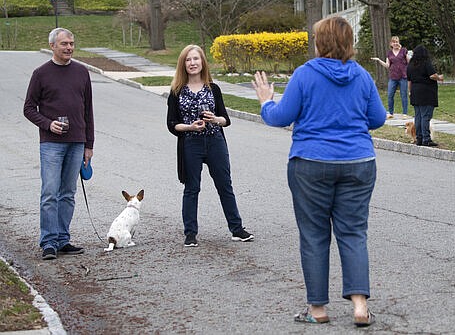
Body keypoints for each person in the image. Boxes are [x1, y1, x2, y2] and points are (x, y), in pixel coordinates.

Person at [252, 17, 386, 327]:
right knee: (353, 232)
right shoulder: (362, 76)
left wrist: (265, 102)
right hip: (358, 162)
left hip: (311, 163)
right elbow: (377, 118)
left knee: (314, 235)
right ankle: (360, 306)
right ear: (348, 43)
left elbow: (280, 117)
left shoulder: (304, 75)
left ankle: (318, 310)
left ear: (319, 43)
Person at [166, 45, 254, 247]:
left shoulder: (213, 89)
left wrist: (215, 119)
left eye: (196, 59)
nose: (192, 63)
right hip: (191, 143)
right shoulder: (177, 91)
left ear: (202, 62)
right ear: (183, 64)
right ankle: (190, 234)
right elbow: (171, 124)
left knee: (225, 185)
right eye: (188, 60)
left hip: (215, 141)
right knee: (192, 188)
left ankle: (237, 229)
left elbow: (226, 119)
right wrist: (189, 127)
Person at [23, 27, 94, 260]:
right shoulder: (40, 73)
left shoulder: (82, 72)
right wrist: (47, 124)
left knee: (68, 193)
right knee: (50, 193)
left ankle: (63, 239)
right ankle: (49, 242)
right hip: (51, 143)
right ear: (52, 45)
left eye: (72, 43)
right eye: (64, 44)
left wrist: (89, 144)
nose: (69, 48)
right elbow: (28, 109)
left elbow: (87, 110)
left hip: (77, 141)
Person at [406, 45, 444, 147]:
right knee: (425, 117)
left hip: (415, 91)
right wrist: (439, 78)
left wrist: (410, 92)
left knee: (418, 117)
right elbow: (432, 75)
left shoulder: (410, 65)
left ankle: (419, 138)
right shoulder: (426, 63)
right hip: (426, 93)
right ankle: (426, 139)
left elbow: (409, 81)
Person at [371, 36, 410, 117]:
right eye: (394, 42)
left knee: (404, 95)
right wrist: (379, 60)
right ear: (391, 43)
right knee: (390, 95)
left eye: (397, 42)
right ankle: (390, 112)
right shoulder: (389, 53)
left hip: (403, 76)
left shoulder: (403, 51)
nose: (395, 43)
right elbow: (387, 65)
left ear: (399, 42)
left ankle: (405, 113)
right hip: (393, 77)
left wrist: (404, 51)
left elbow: (409, 61)